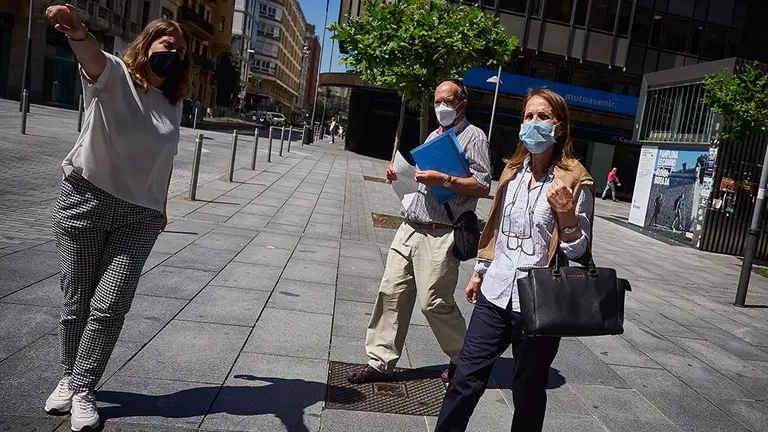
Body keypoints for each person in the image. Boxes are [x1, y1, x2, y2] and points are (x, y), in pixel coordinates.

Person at [44, 5, 191, 431]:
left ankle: (84, 387)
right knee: (77, 301)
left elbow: (165, 161)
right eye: (170, 44)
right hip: (86, 201)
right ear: (148, 44)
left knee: (110, 306)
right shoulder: (114, 76)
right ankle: (70, 378)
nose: (177, 54)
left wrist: (161, 207)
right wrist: (76, 30)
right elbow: (90, 55)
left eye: (182, 51)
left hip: (140, 215)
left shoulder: (172, 103)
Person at [435, 89, 595, 432]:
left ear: (560, 127)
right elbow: (495, 230)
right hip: (495, 293)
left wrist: (566, 218)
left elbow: (579, 252)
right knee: (465, 378)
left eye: (542, 117)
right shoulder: (512, 171)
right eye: (528, 116)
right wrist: (480, 271)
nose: (533, 124)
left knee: (528, 391)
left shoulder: (574, 179)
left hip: (538, 305)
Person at [346, 78, 491, 384]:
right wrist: (401, 175)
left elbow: (482, 185)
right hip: (411, 227)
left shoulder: (474, 137)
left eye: (448, 102)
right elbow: (423, 182)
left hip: (442, 232)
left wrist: (446, 180)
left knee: (434, 303)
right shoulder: (435, 134)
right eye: (437, 101)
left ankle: (463, 358)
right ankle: (380, 361)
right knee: (391, 293)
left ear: (462, 104)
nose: (441, 107)